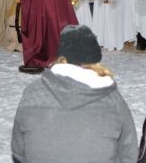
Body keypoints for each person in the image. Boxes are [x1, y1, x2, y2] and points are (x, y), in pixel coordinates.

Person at [11, 24, 138, 163]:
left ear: (61, 56)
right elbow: (129, 153)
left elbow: (18, 151)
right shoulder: (113, 99)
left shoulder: (32, 93)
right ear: (94, 59)